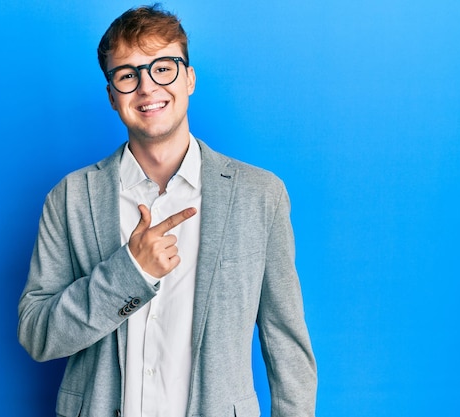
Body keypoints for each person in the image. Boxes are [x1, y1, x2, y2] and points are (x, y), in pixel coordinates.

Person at [18, 4, 317, 417]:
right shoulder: (69, 198)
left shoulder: (259, 195)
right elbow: (37, 334)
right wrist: (130, 273)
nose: (146, 86)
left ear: (189, 78)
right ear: (111, 95)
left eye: (163, 67)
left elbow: (286, 341)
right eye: (127, 74)